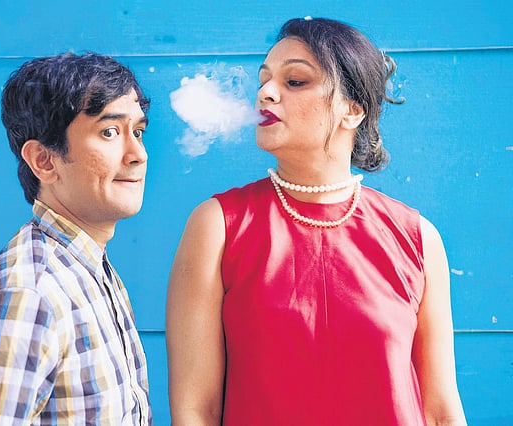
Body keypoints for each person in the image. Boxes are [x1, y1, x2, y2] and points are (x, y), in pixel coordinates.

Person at [166, 17, 467, 426]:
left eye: (295, 81)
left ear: (352, 110)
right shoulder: (218, 226)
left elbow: (441, 412)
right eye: (264, 81)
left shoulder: (417, 238)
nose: (265, 93)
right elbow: (195, 412)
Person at [0, 52, 153, 425]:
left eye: (138, 131)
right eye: (109, 132)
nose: (138, 154)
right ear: (44, 160)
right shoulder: (26, 296)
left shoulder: (89, 270)